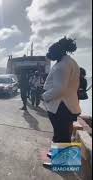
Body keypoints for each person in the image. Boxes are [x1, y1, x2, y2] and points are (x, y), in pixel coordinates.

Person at [42, 37, 81, 167]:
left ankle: (61, 164)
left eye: (50, 52)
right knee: (62, 133)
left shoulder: (62, 65)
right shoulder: (70, 62)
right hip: (68, 104)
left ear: (58, 52)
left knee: (61, 134)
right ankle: (57, 155)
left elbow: (60, 88)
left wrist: (45, 96)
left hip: (61, 106)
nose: (49, 54)